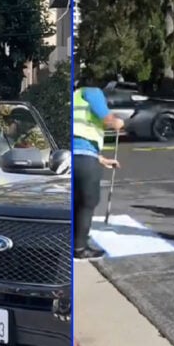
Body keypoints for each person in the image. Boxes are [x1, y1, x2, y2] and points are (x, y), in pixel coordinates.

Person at [72, 78, 124, 260]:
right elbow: (107, 119)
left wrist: (101, 159)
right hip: (85, 158)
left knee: (75, 201)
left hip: (75, 156)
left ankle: (72, 242)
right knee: (87, 201)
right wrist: (117, 123)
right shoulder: (92, 92)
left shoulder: (75, 96)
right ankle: (79, 248)